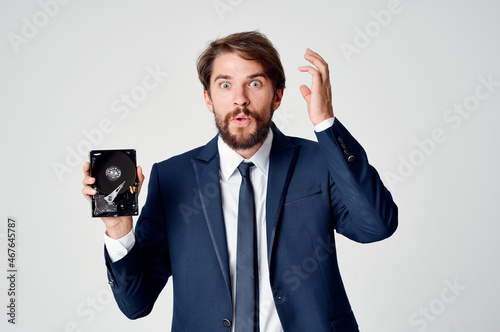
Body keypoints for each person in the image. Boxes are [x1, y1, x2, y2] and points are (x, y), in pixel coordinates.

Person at [82, 31, 398, 332]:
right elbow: (136, 304)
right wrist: (119, 229)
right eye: (225, 85)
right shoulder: (173, 178)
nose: (240, 100)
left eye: (255, 83)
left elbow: (376, 226)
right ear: (208, 98)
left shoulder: (319, 163)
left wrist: (325, 123)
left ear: (277, 97)